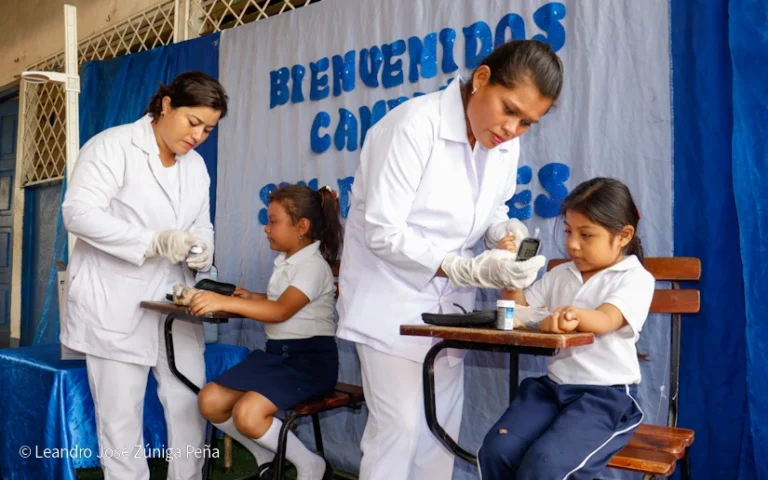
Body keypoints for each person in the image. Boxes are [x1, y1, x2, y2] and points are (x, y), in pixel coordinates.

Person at [336, 39, 564, 479]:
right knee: (398, 433)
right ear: (481, 79)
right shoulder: (410, 127)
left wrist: (505, 232)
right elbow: (384, 233)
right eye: (509, 109)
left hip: (449, 312)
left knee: (437, 438)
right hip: (389, 304)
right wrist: (465, 267)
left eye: (527, 123)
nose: (512, 129)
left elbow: (492, 210)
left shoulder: (502, 143)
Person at [61, 71, 227, 480]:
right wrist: (151, 242)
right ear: (167, 104)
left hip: (174, 301)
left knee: (188, 401)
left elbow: (200, 223)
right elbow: (77, 214)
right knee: (120, 418)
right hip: (114, 300)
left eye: (208, 129)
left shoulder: (196, 167)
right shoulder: (112, 147)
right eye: (193, 123)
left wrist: (203, 249)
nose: (198, 136)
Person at [478, 177, 655, 479]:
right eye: (569, 231)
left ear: (624, 236)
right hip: (551, 390)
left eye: (586, 235)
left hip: (605, 398)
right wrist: (512, 275)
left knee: (548, 464)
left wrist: (569, 316)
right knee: (497, 450)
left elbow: (606, 320)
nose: (572, 244)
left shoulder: (634, 278)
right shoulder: (560, 274)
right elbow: (521, 314)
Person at [193, 185, 341, 480]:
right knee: (210, 401)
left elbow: (282, 311)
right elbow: (281, 304)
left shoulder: (313, 266)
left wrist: (221, 301)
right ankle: (265, 451)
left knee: (248, 414)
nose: (266, 228)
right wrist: (253, 298)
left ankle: (310, 464)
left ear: (302, 227)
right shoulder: (288, 263)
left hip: (308, 363)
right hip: (277, 356)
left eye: (273, 221)